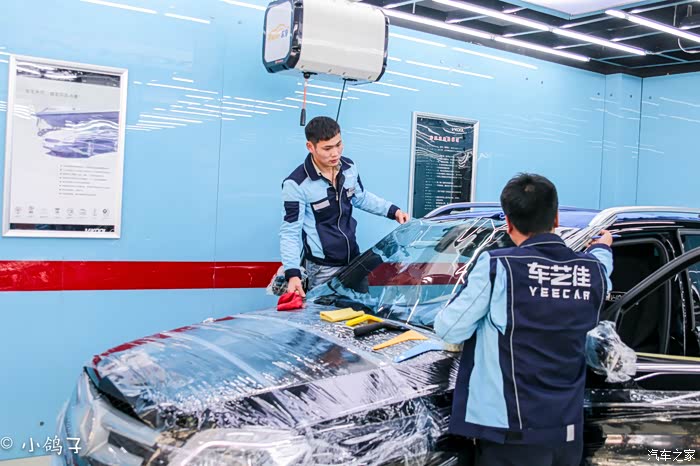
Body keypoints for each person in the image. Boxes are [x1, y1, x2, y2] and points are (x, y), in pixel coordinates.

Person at [434, 173, 613, 466]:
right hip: (567, 435)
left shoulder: (498, 266)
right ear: (556, 217)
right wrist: (602, 246)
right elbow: (603, 266)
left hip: (511, 437)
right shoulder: (591, 271)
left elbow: (449, 328)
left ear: (508, 222)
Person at [280, 116, 409, 296]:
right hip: (322, 269)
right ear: (310, 147)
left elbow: (361, 197)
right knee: (323, 314)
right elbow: (290, 232)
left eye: (338, 144)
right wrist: (292, 273)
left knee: (361, 310)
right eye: (327, 148)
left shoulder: (349, 168)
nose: (335, 153)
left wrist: (393, 211)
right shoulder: (296, 184)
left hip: (354, 262)